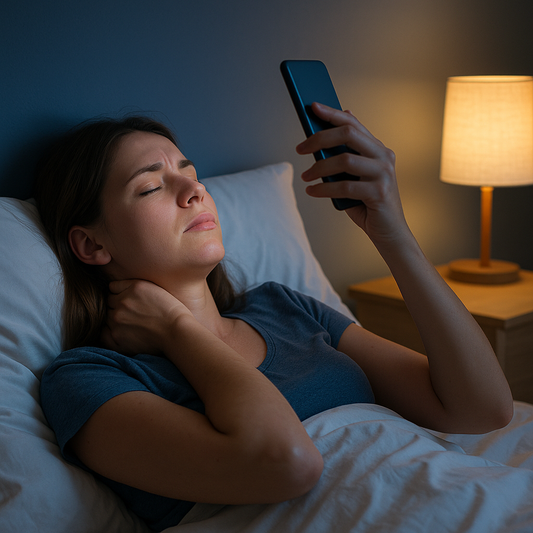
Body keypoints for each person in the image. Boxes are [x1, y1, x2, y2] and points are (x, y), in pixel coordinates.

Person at [35, 103, 513, 532]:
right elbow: (286, 462)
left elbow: (483, 409)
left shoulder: (281, 307)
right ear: (92, 245)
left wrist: (392, 232)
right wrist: (176, 329)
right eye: (151, 186)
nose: (194, 189)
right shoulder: (89, 379)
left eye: (190, 171)